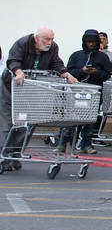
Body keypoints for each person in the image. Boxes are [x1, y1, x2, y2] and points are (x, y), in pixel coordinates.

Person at [2, 28, 76, 169]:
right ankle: (3, 156)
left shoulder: (52, 48)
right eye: (46, 39)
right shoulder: (22, 43)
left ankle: (15, 155)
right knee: (8, 123)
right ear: (36, 38)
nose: (50, 42)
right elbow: (12, 60)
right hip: (11, 86)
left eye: (52, 39)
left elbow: (56, 63)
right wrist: (18, 72)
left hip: (30, 89)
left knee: (26, 124)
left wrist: (66, 74)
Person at [60, 29, 112, 154]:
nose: (91, 44)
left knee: (90, 120)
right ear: (84, 42)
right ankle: (63, 143)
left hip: (94, 90)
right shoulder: (76, 55)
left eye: (93, 42)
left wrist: (97, 72)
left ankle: (86, 144)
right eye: (88, 42)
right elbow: (69, 72)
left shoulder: (102, 57)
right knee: (70, 118)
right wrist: (82, 71)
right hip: (76, 90)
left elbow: (109, 73)